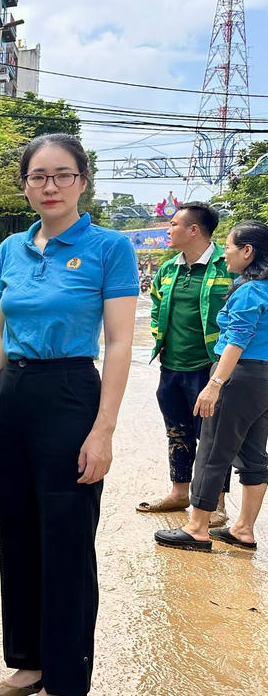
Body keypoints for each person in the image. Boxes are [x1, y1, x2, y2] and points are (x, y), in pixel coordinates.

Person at [0, 134, 138, 696]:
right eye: (38, 176)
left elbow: (119, 342)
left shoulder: (109, 247)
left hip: (70, 394)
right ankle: (29, 662)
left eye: (62, 175)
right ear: (25, 184)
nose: (50, 186)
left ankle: (65, 685)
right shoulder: (12, 249)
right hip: (13, 391)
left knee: (66, 542)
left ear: (82, 181)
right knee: (17, 535)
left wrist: (104, 430)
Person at [155, 221, 268, 554]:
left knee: (212, 448)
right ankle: (243, 529)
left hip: (238, 374)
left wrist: (215, 383)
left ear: (248, 251)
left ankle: (197, 528)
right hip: (263, 379)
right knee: (253, 452)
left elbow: (236, 340)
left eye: (230, 247)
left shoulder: (248, 290)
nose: (226, 254)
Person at [140, 203, 232, 524]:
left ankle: (216, 503)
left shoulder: (226, 267)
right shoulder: (168, 270)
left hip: (209, 367)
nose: (168, 229)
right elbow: (155, 306)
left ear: (194, 230)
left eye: (174, 224)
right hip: (172, 366)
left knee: (212, 435)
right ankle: (180, 493)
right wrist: (158, 338)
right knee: (176, 430)